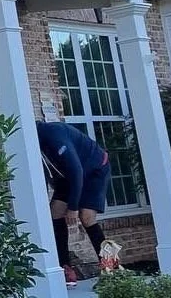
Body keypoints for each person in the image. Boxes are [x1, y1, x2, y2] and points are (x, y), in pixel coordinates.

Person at [36, 120, 113, 286]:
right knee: (55, 211)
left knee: (86, 216)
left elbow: (76, 170)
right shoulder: (34, 143)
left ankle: (111, 267)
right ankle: (66, 268)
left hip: (94, 169)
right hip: (68, 176)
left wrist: (73, 207)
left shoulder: (53, 134)